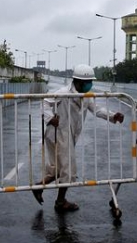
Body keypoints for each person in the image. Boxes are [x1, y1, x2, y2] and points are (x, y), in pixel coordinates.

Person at [32, 64, 124, 212]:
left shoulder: (86, 96)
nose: (90, 85)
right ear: (78, 81)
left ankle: (38, 187)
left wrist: (113, 116)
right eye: (87, 82)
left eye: (90, 82)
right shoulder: (63, 93)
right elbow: (45, 102)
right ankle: (60, 202)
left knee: (59, 169)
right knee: (68, 170)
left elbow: (98, 110)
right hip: (57, 133)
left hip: (67, 135)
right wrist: (49, 118)